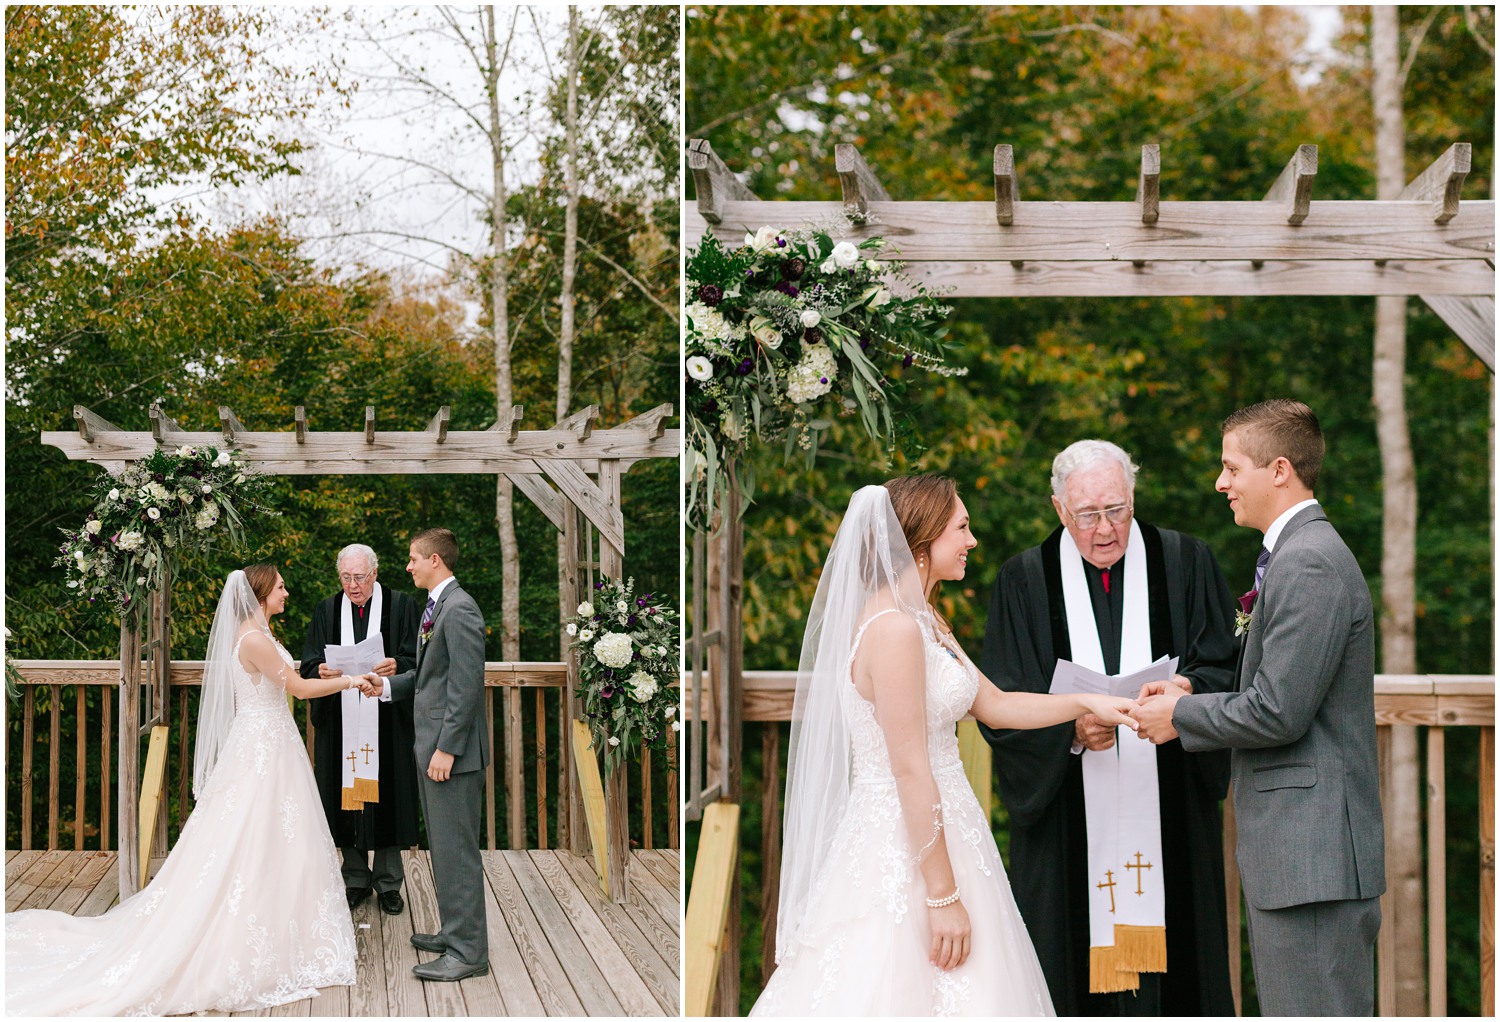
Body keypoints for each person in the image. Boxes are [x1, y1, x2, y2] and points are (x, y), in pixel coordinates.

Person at [751, 477, 1139, 1017]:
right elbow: (909, 770)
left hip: (952, 829)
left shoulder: (925, 619)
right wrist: (942, 896)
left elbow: (998, 704)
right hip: (907, 845)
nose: (972, 540)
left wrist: (1091, 704)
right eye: (961, 527)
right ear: (921, 544)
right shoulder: (893, 632)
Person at [6, 566, 360, 1015]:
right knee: (252, 837)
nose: (287, 592)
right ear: (261, 594)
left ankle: (286, 921)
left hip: (271, 742)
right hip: (264, 747)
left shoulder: (259, 634)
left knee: (273, 838)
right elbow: (300, 689)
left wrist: (323, 669)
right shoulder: (253, 638)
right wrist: (349, 681)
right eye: (281, 587)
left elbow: (283, 673)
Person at [1133, 400, 1385, 1016]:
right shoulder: (1297, 554)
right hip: (1301, 855)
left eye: (1230, 467)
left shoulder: (1310, 562)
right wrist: (1196, 693)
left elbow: (1278, 713)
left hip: (1313, 857)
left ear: (1278, 469)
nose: (1220, 483)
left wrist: (1180, 720)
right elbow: (1280, 690)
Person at [979, 440, 1238, 1016]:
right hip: (1067, 819)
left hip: (1171, 809)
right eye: (1086, 515)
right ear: (1058, 510)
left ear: (1133, 498)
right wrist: (1072, 732)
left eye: (1116, 510)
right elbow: (1001, 699)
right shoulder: (1024, 580)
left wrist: (1185, 694)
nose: (1104, 530)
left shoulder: (1186, 562)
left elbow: (1225, 665)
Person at [362, 527, 490, 982]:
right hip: (432, 748)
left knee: (457, 853)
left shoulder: (460, 609)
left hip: (450, 755)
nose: (409, 566)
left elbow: (466, 688)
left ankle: (469, 952)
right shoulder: (437, 607)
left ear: (435, 560)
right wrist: (388, 686)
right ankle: (455, 932)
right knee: (445, 849)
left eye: (415, 558)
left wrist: (447, 750)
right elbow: (430, 678)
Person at [300, 543, 422, 915]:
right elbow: (309, 664)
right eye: (346, 577)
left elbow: (417, 659)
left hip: (386, 720)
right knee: (344, 800)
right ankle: (354, 877)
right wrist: (319, 670)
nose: (353, 585)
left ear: (375, 573)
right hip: (341, 721)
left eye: (360, 577)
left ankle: (388, 882)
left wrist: (394, 665)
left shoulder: (402, 606)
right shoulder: (326, 609)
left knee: (389, 798)